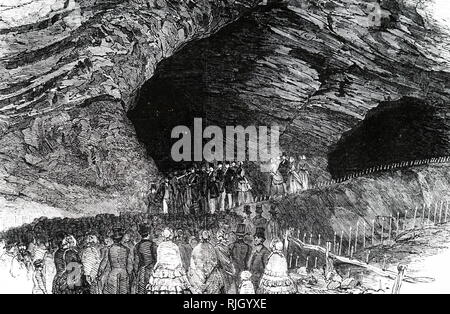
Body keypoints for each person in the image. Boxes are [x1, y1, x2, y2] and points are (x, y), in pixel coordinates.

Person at [148, 228, 191, 294]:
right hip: (174, 271)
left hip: (163, 271)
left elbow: (159, 261)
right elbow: (179, 261)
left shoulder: (160, 246)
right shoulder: (174, 246)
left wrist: (154, 269)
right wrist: (181, 270)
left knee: (162, 289)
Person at [97, 228, 133, 294]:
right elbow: (130, 265)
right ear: (122, 238)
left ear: (113, 239)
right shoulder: (127, 249)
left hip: (113, 273)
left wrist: (99, 273)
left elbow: (104, 262)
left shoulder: (109, 249)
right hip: (124, 273)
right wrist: (130, 275)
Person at [133, 225, 157, 294]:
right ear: (149, 234)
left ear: (141, 235)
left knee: (142, 289)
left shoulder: (137, 245)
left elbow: (136, 261)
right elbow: (156, 258)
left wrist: (136, 272)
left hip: (142, 271)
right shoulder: (153, 244)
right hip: (152, 270)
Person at [215, 229, 236, 294]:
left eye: (224, 237)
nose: (223, 240)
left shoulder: (228, 247)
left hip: (229, 270)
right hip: (222, 271)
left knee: (230, 288)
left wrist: (231, 267)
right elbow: (220, 260)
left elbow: (230, 259)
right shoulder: (217, 248)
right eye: (221, 238)